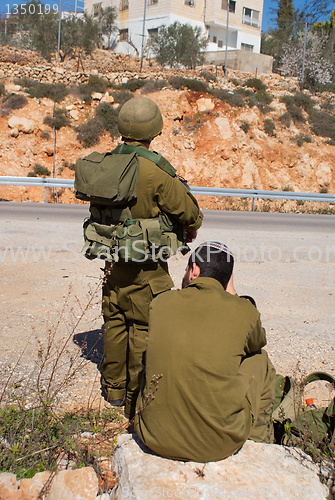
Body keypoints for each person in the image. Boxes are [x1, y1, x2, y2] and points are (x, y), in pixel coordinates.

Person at [100, 96, 203, 419]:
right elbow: (189, 213)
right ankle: (135, 397)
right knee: (144, 326)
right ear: (154, 129)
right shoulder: (156, 170)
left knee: (115, 321)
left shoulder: (103, 162)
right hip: (146, 263)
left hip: (113, 258)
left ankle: (113, 389)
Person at [134, 241, 276, 462]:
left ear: (195, 270)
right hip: (217, 446)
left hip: (153, 435)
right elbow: (257, 342)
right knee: (260, 359)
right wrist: (233, 294)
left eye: (186, 269)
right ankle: (257, 442)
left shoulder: (161, 303)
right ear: (227, 279)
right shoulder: (243, 311)